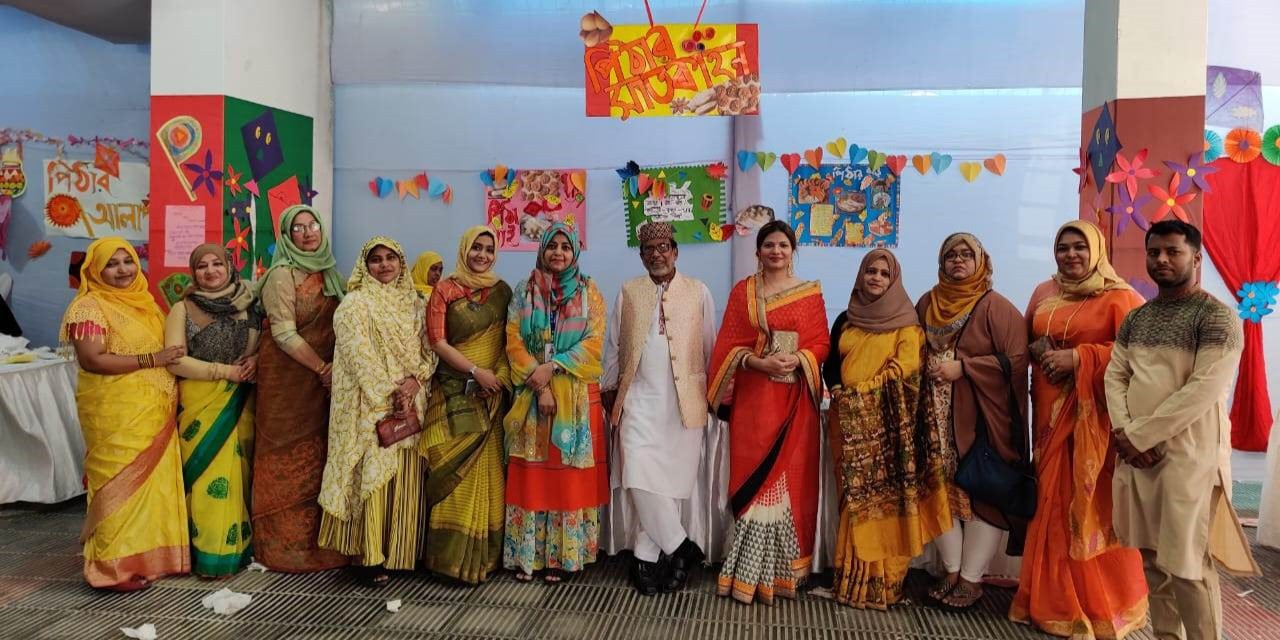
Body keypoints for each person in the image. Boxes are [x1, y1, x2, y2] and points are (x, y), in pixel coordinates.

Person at [1104, 220, 1259, 640]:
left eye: (1173, 251)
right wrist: (1125, 432)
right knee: (1153, 563)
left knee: (1189, 566)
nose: (1162, 260)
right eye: (1154, 252)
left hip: (1190, 457)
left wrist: (1139, 436)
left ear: (1196, 258)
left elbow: (1202, 391)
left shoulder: (1217, 318)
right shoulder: (1137, 318)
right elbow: (1115, 376)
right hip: (1138, 455)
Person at [1009, 220, 1149, 638]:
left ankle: (1099, 605)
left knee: (1087, 504)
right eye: (1063, 247)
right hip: (1048, 416)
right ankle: (1050, 600)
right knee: (1050, 501)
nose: (1070, 255)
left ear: (1096, 251)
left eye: (1079, 247)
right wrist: (1042, 352)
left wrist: (1079, 359)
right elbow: (1026, 338)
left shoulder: (1120, 296)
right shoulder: (1044, 292)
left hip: (1093, 421)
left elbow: (1139, 354)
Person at [707, 219, 829, 606]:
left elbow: (822, 343)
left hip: (795, 401)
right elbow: (728, 346)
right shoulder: (744, 292)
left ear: (793, 251)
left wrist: (800, 358)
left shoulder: (809, 293)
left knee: (789, 480)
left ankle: (784, 573)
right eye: (769, 245)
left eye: (783, 245)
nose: (776, 251)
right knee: (757, 478)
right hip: (755, 399)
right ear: (758, 251)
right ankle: (746, 574)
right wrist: (759, 363)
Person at [821, 249, 949, 610]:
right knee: (851, 500)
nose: (876, 278)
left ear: (894, 280)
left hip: (887, 428)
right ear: (861, 275)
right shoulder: (847, 318)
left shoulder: (907, 325)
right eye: (871, 271)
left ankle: (882, 584)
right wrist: (838, 390)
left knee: (885, 503)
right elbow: (831, 362)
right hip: (846, 422)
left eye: (883, 273)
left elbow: (905, 372)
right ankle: (850, 580)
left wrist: (861, 395)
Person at [62, 238, 189, 590]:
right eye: (111, 264)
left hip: (155, 410)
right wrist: (153, 360)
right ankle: (111, 569)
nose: (122, 270)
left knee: (152, 489)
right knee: (118, 486)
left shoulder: (145, 302)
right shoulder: (88, 307)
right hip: (115, 412)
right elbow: (93, 359)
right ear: (94, 270)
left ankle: (148, 561)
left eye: (127, 261)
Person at [601, 221, 716, 596]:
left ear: (675, 252)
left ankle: (645, 559)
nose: (657, 255)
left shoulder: (698, 291)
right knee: (637, 475)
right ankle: (683, 548)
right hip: (637, 400)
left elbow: (709, 346)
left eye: (663, 247)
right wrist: (609, 387)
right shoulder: (629, 291)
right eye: (649, 250)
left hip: (684, 403)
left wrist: (716, 395)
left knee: (666, 486)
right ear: (641, 256)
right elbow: (614, 346)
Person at [917, 232, 1029, 611]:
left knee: (984, 494)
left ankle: (971, 578)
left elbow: (1017, 362)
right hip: (933, 422)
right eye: (951, 255)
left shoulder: (996, 307)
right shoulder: (927, 303)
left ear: (982, 261)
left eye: (967, 254)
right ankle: (951, 571)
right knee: (937, 491)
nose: (958, 260)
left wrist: (965, 368)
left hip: (982, 423)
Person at [318, 237, 436, 587]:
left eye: (391, 258)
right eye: (376, 259)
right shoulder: (354, 305)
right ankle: (369, 556)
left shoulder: (416, 303)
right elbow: (359, 358)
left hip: (412, 402)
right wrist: (391, 394)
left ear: (402, 263)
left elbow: (430, 349)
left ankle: (401, 552)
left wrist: (416, 380)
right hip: (372, 406)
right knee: (373, 475)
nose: (384, 265)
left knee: (405, 475)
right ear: (365, 265)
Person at [503, 223, 608, 584]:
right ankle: (528, 555)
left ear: (574, 252)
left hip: (576, 398)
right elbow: (513, 341)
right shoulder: (524, 290)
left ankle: (562, 556)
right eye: (552, 246)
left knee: (568, 476)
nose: (558, 253)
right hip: (533, 394)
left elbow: (594, 342)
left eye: (565, 246)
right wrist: (540, 382)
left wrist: (552, 367)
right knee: (532, 474)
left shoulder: (588, 291)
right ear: (542, 250)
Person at [251, 205, 348, 573]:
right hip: (288, 381)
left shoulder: (331, 274)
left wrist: (337, 370)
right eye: (298, 228)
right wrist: (323, 368)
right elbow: (283, 333)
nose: (308, 233)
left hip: (326, 382)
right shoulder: (281, 275)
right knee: (285, 456)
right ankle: (282, 547)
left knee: (322, 456)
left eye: (313, 225)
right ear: (286, 236)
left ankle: (320, 541)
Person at [421, 226, 512, 584]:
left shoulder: (502, 291)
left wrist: (498, 378)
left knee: (489, 472)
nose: (482, 255)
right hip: (452, 390)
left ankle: (486, 559)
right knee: (451, 470)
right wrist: (476, 372)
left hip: (492, 395)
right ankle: (448, 561)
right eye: (476, 247)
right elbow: (437, 342)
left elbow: (508, 340)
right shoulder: (444, 290)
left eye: (489, 249)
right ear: (464, 249)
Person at [164, 244, 260, 578]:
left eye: (217, 263)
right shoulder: (183, 308)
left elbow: (265, 344)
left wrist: (256, 360)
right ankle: (210, 555)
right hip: (201, 403)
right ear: (193, 273)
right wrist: (224, 372)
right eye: (202, 266)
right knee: (208, 478)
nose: (210, 271)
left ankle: (238, 549)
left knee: (240, 476)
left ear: (229, 266)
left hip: (242, 400)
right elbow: (174, 360)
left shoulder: (249, 302)